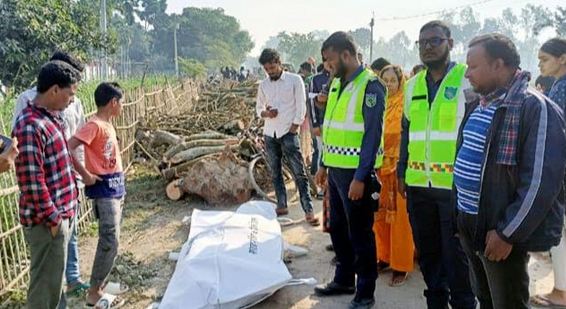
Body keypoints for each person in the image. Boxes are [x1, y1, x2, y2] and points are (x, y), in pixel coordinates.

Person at [456, 33, 566, 309]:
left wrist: (508, 233)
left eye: (473, 66)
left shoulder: (534, 108)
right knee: (484, 299)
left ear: (498, 65)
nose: (467, 74)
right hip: (471, 222)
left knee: (508, 303)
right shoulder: (478, 104)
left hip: (500, 230)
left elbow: (541, 181)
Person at [397, 20, 476, 309]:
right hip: (418, 187)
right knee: (429, 256)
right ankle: (436, 303)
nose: (428, 47)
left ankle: (465, 303)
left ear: (450, 43)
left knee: (457, 258)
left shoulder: (466, 79)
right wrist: (402, 169)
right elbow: (407, 129)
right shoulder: (413, 84)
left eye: (435, 41)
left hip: (454, 189)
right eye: (423, 43)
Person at [314, 31, 385, 309]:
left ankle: (365, 292)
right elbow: (330, 128)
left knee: (361, 234)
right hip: (335, 172)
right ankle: (344, 279)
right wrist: (323, 164)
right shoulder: (335, 84)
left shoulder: (371, 86)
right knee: (338, 230)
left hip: (357, 175)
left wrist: (359, 177)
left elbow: (371, 136)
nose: (326, 66)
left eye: (329, 60)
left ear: (346, 55)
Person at [12, 50, 90, 298]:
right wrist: (54, 218)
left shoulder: (51, 118)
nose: (72, 100)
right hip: (48, 221)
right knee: (44, 290)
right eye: (70, 94)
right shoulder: (30, 126)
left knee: (55, 289)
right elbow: (32, 182)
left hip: (61, 213)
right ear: (55, 90)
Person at [68, 82, 127, 308]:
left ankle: (99, 286)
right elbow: (69, 145)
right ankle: (93, 292)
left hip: (114, 186)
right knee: (109, 240)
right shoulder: (94, 125)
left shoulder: (107, 125)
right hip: (104, 190)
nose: (121, 106)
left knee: (112, 240)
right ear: (113, 102)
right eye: (120, 102)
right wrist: (86, 174)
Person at [255, 48, 319, 226]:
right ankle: (282, 205)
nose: (270, 71)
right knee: (275, 172)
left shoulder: (294, 80)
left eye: (273, 67)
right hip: (270, 133)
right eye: (267, 69)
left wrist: (294, 126)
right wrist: (266, 114)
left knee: (299, 172)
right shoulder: (264, 85)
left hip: (288, 133)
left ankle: (308, 210)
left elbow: (301, 106)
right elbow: (258, 108)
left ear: (279, 62)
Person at [531, 37, 566, 308]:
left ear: (562, 58)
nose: (540, 64)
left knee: (560, 233)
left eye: (544, 59)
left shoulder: (560, 89)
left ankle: (561, 291)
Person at [373, 64, 414, 287]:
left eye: (392, 80)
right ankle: (383, 256)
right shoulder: (377, 104)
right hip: (379, 167)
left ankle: (401, 264)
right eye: (385, 80)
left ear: (400, 82)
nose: (388, 84)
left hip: (399, 168)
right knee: (379, 217)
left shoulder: (405, 105)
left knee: (400, 220)